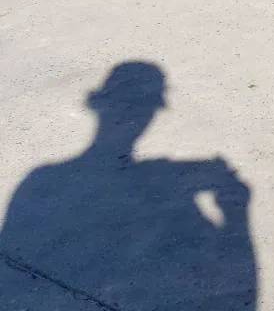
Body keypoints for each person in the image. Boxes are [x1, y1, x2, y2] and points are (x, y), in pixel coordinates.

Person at [0, 62, 257, 310]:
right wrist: (236, 212)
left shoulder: (41, 179)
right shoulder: (45, 179)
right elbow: (242, 291)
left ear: (98, 105)